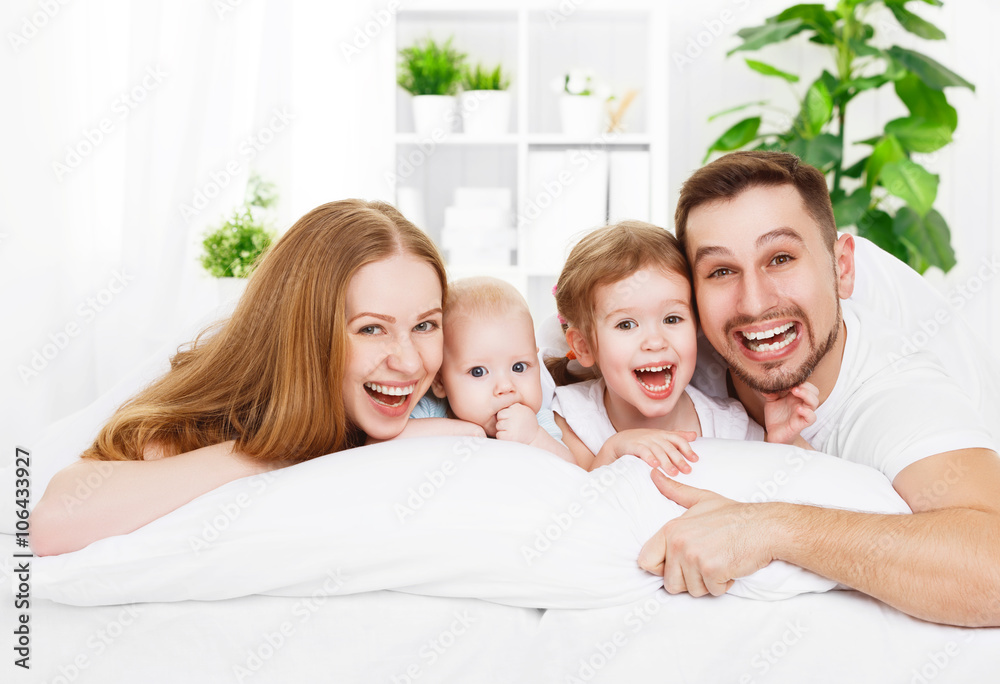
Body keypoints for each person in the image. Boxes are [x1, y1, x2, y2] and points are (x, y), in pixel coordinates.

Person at [637, 151, 1000, 627]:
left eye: (781, 258)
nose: (754, 302)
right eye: (721, 271)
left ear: (842, 268)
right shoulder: (680, 334)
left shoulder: (896, 394)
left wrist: (768, 526)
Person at [30, 199, 448, 556]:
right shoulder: (212, 422)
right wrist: (289, 449)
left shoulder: (465, 384)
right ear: (306, 337)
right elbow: (52, 525)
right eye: (371, 329)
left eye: (426, 325)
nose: (410, 364)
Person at [546, 220, 818, 473]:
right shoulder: (571, 419)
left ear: (697, 325)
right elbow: (576, 508)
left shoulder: (728, 426)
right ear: (583, 347)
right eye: (626, 325)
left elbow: (791, 494)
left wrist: (785, 444)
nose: (655, 341)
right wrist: (612, 452)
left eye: (672, 319)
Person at [401, 276, 574, 464]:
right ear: (440, 382)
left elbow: (572, 471)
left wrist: (534, 438)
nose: (506, 387)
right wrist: (466, 432)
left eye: (519, 367)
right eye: (478, 372)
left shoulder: (535, 420)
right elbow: (377, 443)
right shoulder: (430, 411)